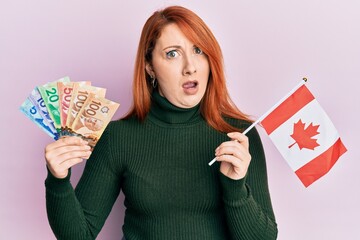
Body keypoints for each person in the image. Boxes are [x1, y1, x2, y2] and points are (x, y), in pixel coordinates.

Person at [44, 5, 278, 240]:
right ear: (150, 67)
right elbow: (78, 236)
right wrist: (58, 180)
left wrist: (236, 187)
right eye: (172, 54)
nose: (190, 67)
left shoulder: (238, 136)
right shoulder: (118, 137)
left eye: (198, 50)